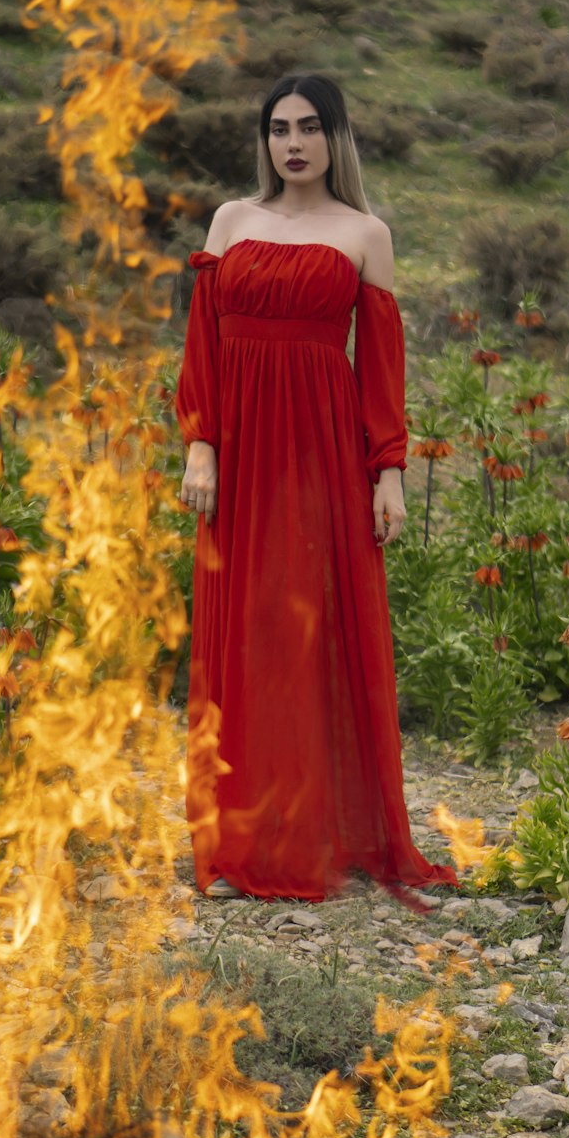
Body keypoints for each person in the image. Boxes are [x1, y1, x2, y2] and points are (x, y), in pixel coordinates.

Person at [175, 73, 457, 902]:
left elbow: (380, 370)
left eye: (307, 127)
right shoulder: (233, 220)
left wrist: (390, 473)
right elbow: (204, 344)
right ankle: (237, 841)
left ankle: (309, 837)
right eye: (276, 128)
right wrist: (202, 445)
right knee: (243, 633)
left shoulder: (366, 233)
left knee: (309, 635)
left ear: (336, 136)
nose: (290, 142)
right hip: (241, 453)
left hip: (322, 456)